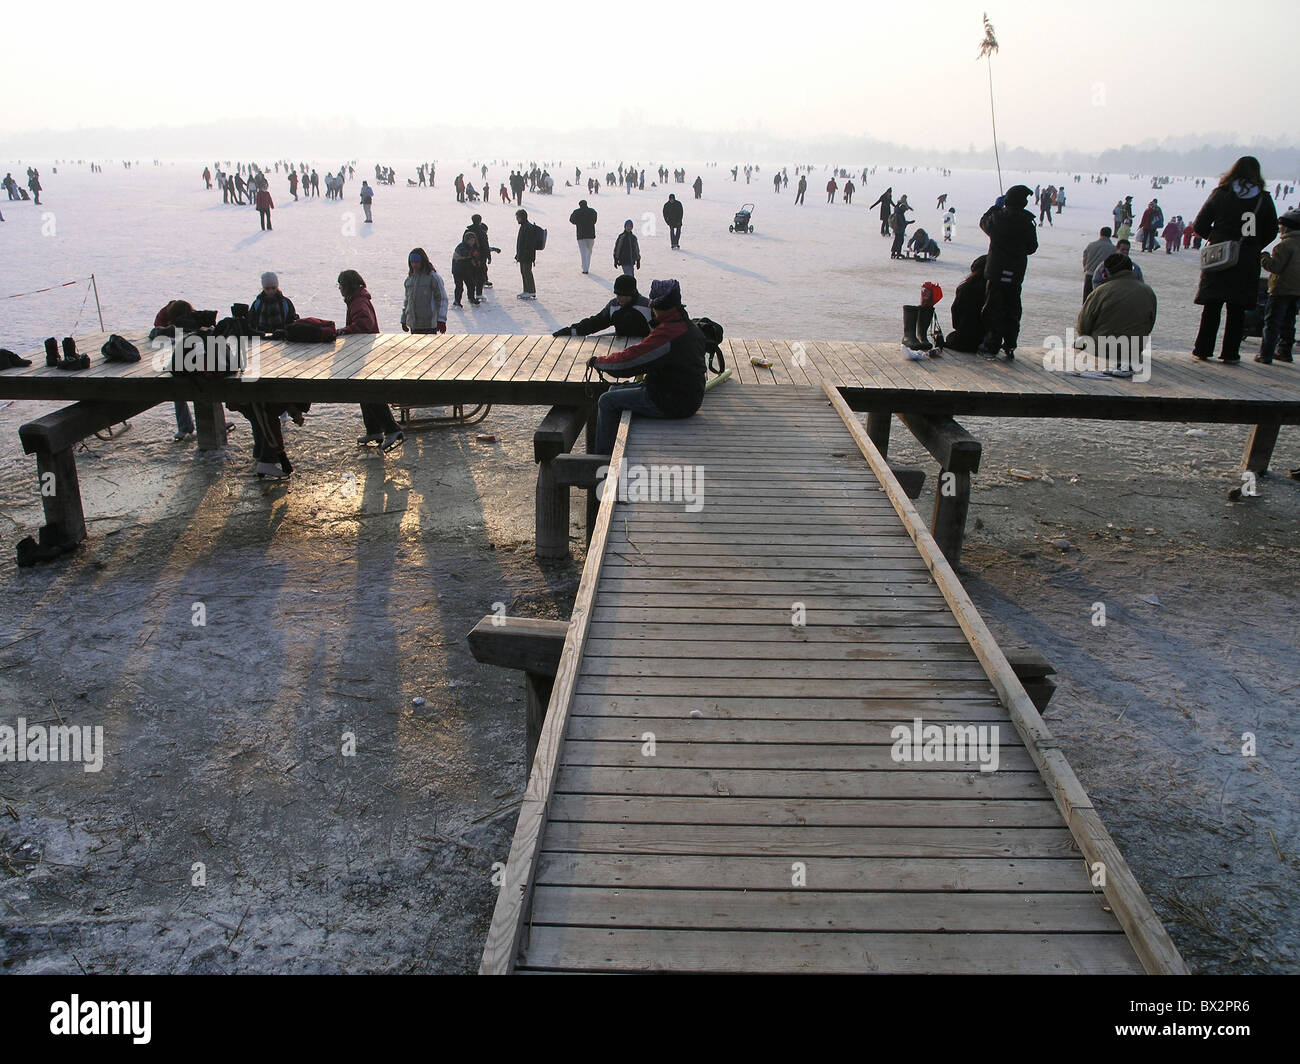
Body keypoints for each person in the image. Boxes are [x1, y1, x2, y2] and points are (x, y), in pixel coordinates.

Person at [587, 279, 707, 454]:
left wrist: (599, 362)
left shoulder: (669, 333)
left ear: (656, 305)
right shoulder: (684, 324)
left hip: (674, 402)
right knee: (613, 390)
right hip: (683, 393)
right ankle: (610, 447)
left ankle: (602, 458)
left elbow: (631, 361)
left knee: (606, 401)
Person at [1191, 156, 1278, 363]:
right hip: (1246, 260)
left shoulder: (1220, 194)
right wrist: (1253, 246)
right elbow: (1272, 230)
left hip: (1219, 256)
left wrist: (1217, 238)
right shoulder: (1263, 199)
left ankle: (1202, 349)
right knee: (1237, 309)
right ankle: (1230, 353)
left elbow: (1200, 225)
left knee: (1212, 306)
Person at [337, 270, 403, 450]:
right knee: (363, 391)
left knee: (369, 391)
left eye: (341, 285)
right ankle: (374, 429)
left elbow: (364, 324)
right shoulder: (356, 299)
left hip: (364, 352)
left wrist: (346, 330)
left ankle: (391, 429)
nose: (340, 289)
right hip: (362, 351)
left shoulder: (358, 302)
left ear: (348, 285)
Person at [977, 184, 1038, 359]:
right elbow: (1032, 247)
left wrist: (995, 207)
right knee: (1012, 309)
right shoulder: (1027, 221)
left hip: (996, 271)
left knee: (993, 308)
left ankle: (991, 344)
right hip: (1015, 273)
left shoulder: (997, 217)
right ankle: (1010, 343)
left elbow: (983, 222)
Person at [1076, 254, 1157, 364]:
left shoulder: (1101, 291)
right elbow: (1149, 324)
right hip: (1133, 350)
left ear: (1108, 272)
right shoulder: (1148, 292)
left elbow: (1083, 326)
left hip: (1101, 349)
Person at [1257, 207, 1300, 363]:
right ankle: (1285, 351)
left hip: (1281, 289)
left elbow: (1275, 267)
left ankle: (1266, 354)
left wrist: (1264, 257)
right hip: (1297, 291)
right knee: (1289, 322)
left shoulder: (1284, 245)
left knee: (1272, 323)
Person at [553, 274, 653, 339]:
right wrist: (571, 331)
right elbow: (596, 322)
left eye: (622, 295)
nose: (618, 298)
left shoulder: (647, 307)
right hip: (621, 342)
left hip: (646, 345)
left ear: (631, 294)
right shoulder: (614, 306)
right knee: (596, 340)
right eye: (617, 294)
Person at [945, 255, 988, 353]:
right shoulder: (993, 291)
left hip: (964, 339)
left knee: (950, 337)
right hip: (988, 341)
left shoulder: (965, 288)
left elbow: (955, 311)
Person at [401, 248, 448, 334]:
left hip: (429, 324)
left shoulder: (433, 278)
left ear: (423, 261)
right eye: (412, 262)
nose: (414, 265)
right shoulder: (409, 279)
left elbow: (442, 299)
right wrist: (404, 319)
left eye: (417, 262)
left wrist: (441, 319)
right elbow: (407, 301)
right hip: (414, 324)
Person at [1081, 226, 1115, 302]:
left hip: (1090, 274)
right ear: (1110, 235)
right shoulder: (1113, 248)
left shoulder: (1091, 245)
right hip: (1104, 278)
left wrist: (1086, 267)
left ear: (1100, 234)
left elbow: (1085, 257)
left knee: (1087, 300)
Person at [451, 231, 483, 307]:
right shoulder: (461, 246)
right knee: (459, 286)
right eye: (471, 240)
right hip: (457, 270)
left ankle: (471, 298)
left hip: (466, 270)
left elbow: (474, 256)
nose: (472, 242)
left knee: (471, 285)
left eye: (474, 240)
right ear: (466, 240)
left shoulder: (473, 247)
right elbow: (464, 253)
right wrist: (472, 255)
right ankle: (457, 301)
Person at [515, 209, 539, 299]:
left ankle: (531, 291)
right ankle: (526, 290)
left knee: (527, 272)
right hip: (523, 255)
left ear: (522, 217)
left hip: (527, 256)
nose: (517, 219)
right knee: (524, 272)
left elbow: (528, 244)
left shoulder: (527, 227)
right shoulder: (524, 226)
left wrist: (524, 254)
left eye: (517, 217)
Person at [570, 199, 598, 273]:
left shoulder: (576, 212)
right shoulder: (592, 211)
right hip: (591, 235)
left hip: (581, 235)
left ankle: (585, 269)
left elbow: (571, 220)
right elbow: (595, 220)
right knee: (589, 252)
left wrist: (578, 222)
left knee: (583, 252)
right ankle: (586, 266)